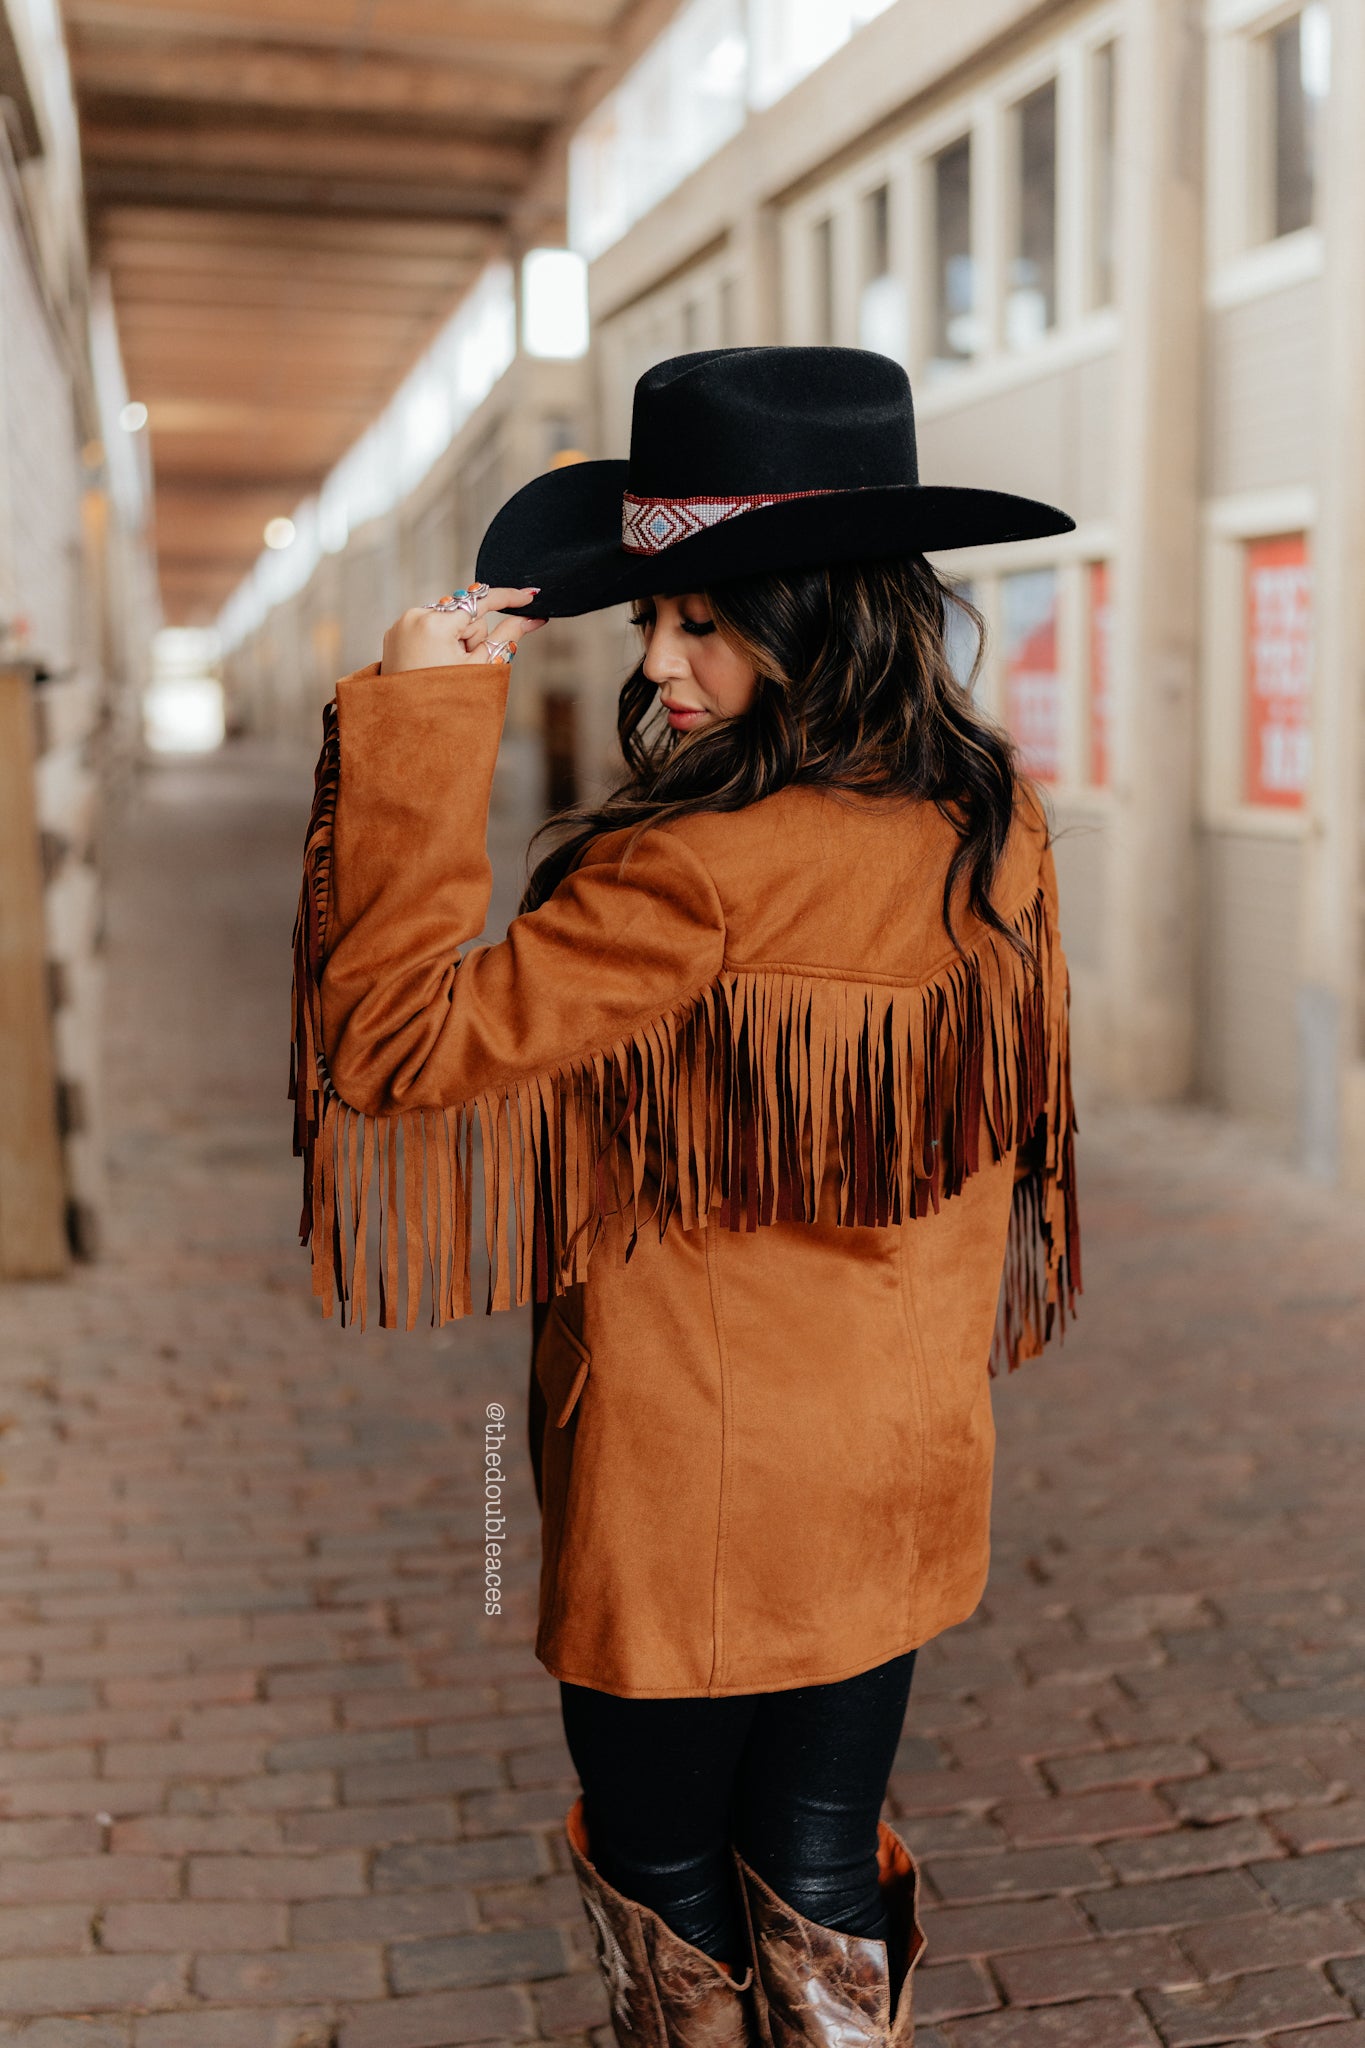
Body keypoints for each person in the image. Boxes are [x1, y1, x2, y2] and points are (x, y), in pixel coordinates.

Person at [290, 347, 1081, 2047]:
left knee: (661, 1856)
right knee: (814, 1850)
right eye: (647, 617)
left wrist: (423, 712)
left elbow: (392, 1043)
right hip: (896, 1467)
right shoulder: (988, 820)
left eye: (702, 620)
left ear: (824, 612)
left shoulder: (690, 869)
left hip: (686, 1484)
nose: (658, 661)